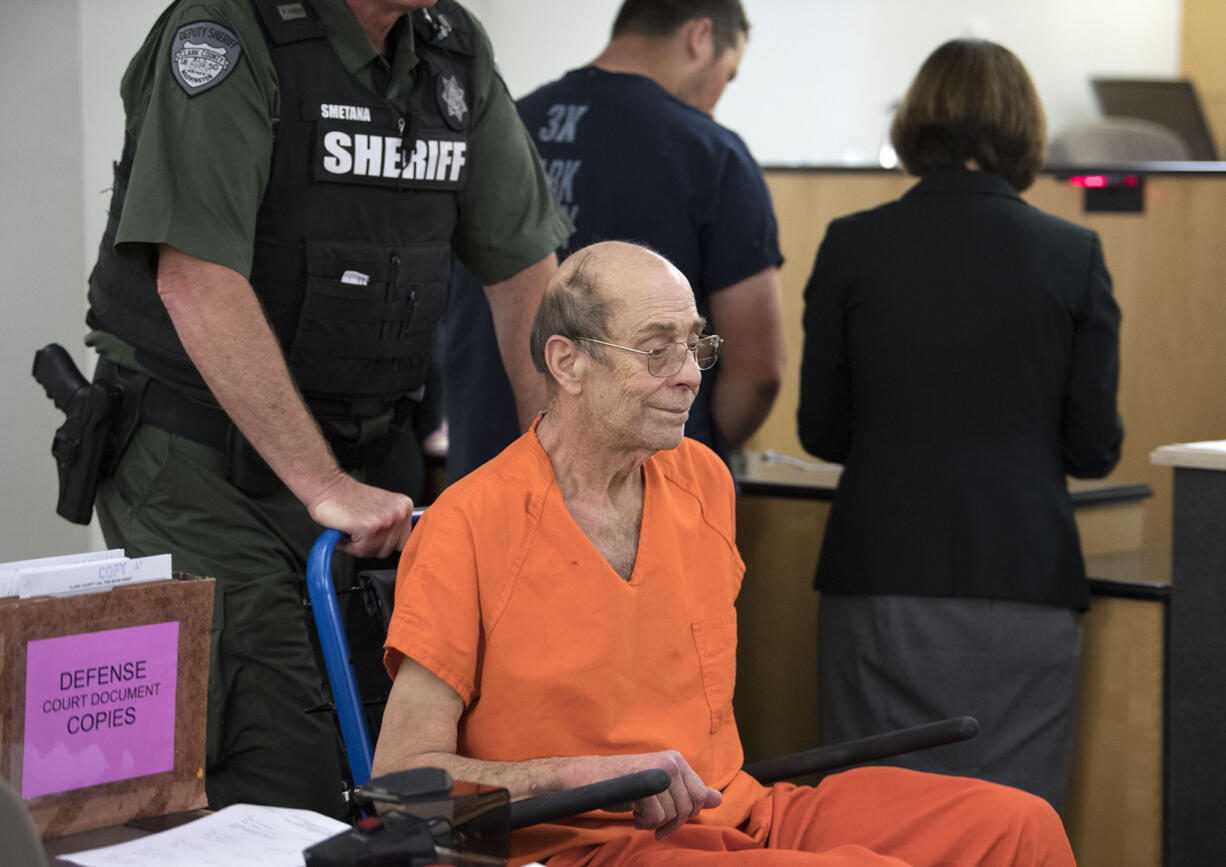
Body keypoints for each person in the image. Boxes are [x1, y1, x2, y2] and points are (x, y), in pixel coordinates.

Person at [373, 241, 1076, 866]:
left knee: (1019, 827)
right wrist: (565, 775)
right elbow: (402, 788)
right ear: (568, 362)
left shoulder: (704, 479)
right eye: (657, 349)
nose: (690, 375)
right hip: (587, 847)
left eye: (696, 345)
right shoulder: (468, 523)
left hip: (740, 813)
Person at [82, 0, 571, 818]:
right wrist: (324, 483)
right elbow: (196, 277)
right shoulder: (227, 32)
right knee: (287, 784)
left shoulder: (451, 49)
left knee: (412, 776)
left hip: (372, 463)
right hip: (204, 472)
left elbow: (525, 268)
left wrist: (553, 462)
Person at [797, 39, 1124, 814]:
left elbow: (820, 429)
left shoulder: (853, 244)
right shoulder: (1074, 254)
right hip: (1025, 580)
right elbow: (1093, 447)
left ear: (918, 123)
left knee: (869, 828)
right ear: (1024, 127)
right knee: (1010, 827)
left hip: (876, 575)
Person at [444, 0, 784, 478]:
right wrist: (684, 460)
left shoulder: (501, 124)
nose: (716, 98)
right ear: (700, 37)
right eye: (727, 76)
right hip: (636, 493)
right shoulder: (711, 152)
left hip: (483, 465)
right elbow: (757, 370)